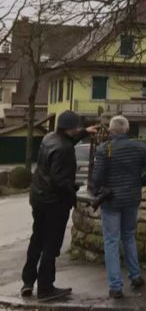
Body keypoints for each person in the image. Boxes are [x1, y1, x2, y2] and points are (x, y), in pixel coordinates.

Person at [22, 110, 98, 302]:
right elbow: (59, 181)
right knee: (51, 245)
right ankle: (46, 288)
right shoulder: (64, 149)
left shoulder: (49, 138)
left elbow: (67, 141)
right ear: (71, 128)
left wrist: (86, 132)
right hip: (54, 202)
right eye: (78, 127)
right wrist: (73, 192)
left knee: (37, 238)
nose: (79, 129)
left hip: (38, 198)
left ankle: (28, 281)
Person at [91, 115, 146, 299]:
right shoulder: (139, 147)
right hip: (131, 199)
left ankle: (115, 286)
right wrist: (138, 183)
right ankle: (135, 276)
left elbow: (96, 177)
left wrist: (95, 192)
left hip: (111, 200)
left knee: (111, 241)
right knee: (128, 236)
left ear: (111, 131)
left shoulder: (104, 149)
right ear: (127, 130)